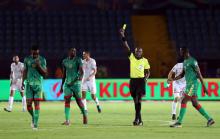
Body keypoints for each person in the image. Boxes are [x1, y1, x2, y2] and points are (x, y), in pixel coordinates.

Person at [169, 47, 215, 128]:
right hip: (189, 85)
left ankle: (179, 122)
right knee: (195, 103)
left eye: (181, 51)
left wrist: (204, 87)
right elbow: (182, 74)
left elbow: (199, 74)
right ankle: (210, 119)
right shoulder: (185, 62)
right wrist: (173, 79)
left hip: (193, 84)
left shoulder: (193, 61)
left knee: (183, 101)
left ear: (185, 52)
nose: (180, 53)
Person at [119, 28, 150, 126]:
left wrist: (146, 78)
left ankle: (136, 119)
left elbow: (148, 71)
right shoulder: (131, 57)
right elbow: (126, 46)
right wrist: (123, 36)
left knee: (138, 99)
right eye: (136, 51)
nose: (138, 53)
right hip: (133, 81)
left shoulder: (145, 60)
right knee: (135, 101)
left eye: (139, 51)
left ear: (142, 52)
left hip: (141, 81)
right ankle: (140, 120)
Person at [60, 48, 87, 125]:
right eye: (72, 51)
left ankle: (84, 114)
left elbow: (82, 71)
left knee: (78, 101)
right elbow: (64, 74)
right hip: (67, 84)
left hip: (76, 84)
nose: (74, 52)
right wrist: (61, 85)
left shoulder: (78, 60)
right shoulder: (64, 61)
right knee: (67, 100)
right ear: (69, 52)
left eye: (75, 51)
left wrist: (80, 77)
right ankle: (67, 120)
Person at [23, 45, 47, 130]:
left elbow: (45, 74)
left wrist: (39, 65)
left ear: (38, 52)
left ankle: (36, 124)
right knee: (28, 104)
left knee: (37, 104)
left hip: (38, 85)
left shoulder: (42, 60)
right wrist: (23, 81)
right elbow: (25, 70)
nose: (35, 55)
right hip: (29, 84)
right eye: (34, 53)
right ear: (31, 51)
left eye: (36, 53)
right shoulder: (27, 59)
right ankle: (33, 117)